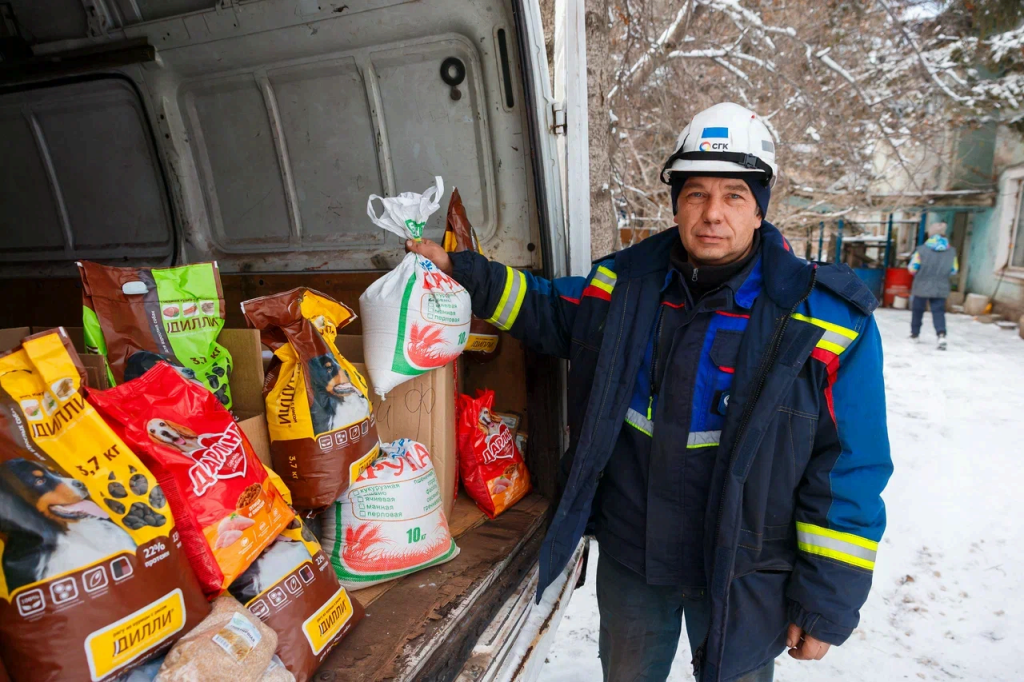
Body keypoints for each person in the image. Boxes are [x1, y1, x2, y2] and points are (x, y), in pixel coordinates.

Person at [408, 102, 892, 682]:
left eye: (734, 195)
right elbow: (547, 309)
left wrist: (825, 600)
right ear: (676, 203)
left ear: (760, 208)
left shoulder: (825, 320)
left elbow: (848, 468)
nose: (713, 214)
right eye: (695, 195)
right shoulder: (625, 284)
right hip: (634, 556)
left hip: (746, 569)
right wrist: (462, 271)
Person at [908, 222, 959, 350]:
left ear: (930, 235)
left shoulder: (921, 250)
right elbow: (954, 270)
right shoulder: (951, 251)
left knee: (918, 310)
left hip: (921, 284)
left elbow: (913, 268)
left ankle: (915, 334)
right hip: (941, 285)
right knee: (938, 311)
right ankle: (941, 335)